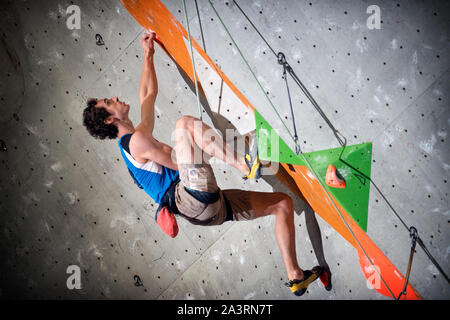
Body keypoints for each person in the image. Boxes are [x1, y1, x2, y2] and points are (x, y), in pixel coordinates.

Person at [82, 31, 323, 296]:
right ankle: (245, 165)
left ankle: (295, 276)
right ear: (108, 120)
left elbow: (147, 95)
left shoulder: (137, 138)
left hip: (206, 210)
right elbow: (178, 164)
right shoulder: (136, 142)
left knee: (282, 204)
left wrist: (148, 53)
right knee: (184, 124)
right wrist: (217, 145)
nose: (114, 97)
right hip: (190, 197)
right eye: (109, 102)